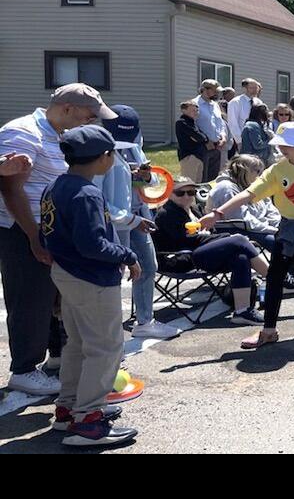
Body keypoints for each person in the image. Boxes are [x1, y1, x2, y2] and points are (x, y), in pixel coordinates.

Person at [0, 83, 116, 396]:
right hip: (23, 229)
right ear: (67, 108)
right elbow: (12, 190)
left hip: (51, 229)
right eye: (89, 115)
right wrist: (33, 237)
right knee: (30, 300)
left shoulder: (60, 133)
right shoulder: (24, 132)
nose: (91, 121)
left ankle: (56, 358)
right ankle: (24, 370)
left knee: (55, 298)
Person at [200, 123, 294, 350]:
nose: (280, 148)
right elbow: (249, 194)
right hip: (288, 229)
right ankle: (269, 331)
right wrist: (218, 212)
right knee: (275, 277)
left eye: (285, 144)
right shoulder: (277, 171)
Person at [39, 125, 140, 447]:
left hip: (66, 273)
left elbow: (47, 235)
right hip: (91, 277)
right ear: (103, 158)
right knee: (105, 347)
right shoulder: (87, 193)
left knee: (78, 344)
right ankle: (88, 420)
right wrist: (127, 254)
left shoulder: (53, 187)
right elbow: (92, 245)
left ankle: (68, 408)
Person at [97, 105, 181, 339]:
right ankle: (109, 336)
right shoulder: (98, 153)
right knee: (114, 274)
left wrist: (144, 176)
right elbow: (99, 200)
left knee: (147, 266)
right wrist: (131, 218)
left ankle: (144, 321)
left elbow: (152, 177)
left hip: (137, 216)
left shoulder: (135, 146)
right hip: (115, 222)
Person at [153, 178, 269, 327]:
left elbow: (209, 232)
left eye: (191, 192)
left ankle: (242, 311)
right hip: (181, 258)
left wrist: (217, 238)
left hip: (199, 253)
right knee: (239, 240)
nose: (187, 196)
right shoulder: (167, 213)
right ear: (169, 193)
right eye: (180, 193)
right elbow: (187, 240)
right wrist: (225, 238)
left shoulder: (195, 209)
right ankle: (277, 279)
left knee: (241, 257)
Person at [207, 155, 281, 253]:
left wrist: (278, 226)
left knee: (291, 239)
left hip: (259, 227)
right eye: (257, 171)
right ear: (244, 170)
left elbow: (270, 209)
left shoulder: (253, 185)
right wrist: (271, 230)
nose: (260, 176)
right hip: (236, 230)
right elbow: (242, 220)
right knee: (280, 244)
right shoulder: (226, 188)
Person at [195, 79, 227, 182]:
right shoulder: (195, 104)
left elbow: (220, 123)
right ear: (206, 90)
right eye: (215, 91)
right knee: (201, 178)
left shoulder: (215, 105)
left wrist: (223, 136)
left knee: (213, 179)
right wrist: (205, 141)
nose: (217, 93)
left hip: (217, 147)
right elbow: (193, 126)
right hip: (202, 147)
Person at [226, 78, 264, 158]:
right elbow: (233, 123)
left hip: (257, 140)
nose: (255, 90)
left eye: (256, 88)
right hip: (244, 140)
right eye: (252, 88)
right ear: (245, 88)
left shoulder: (258, 102)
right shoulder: (235, 102)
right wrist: (240, 141)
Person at [176, 100, 210, 182]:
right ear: (184, 111)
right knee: (189, 183)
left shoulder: (193, 124)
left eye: (197, 110)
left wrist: (201, 138)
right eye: (193, 110)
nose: (196, 112)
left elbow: (204, 138)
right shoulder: (182, 123)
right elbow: (199, 137)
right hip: (189, 157)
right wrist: (200, 138)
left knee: (197, 185)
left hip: (199, 156)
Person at [239, 103, 276, 167]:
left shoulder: (256, 124)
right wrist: (270, 140)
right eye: (266, 111)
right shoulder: (253, 125)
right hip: (252, 161)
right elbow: (258, 145)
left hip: (255, 160)